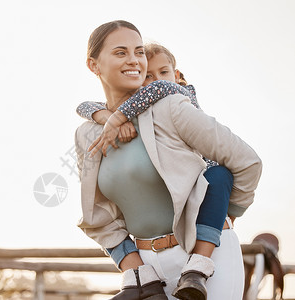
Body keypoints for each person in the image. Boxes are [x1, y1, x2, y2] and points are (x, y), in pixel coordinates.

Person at [75, 20, 262, 300]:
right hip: (146, 268)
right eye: (120, 52)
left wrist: (226, 216)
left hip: (207, 259)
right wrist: (136, 267)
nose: (134, 61)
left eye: (139, 51)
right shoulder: (86, 134)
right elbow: (99, 218)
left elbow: (247, 162)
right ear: (93, 65)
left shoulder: (171, 107)